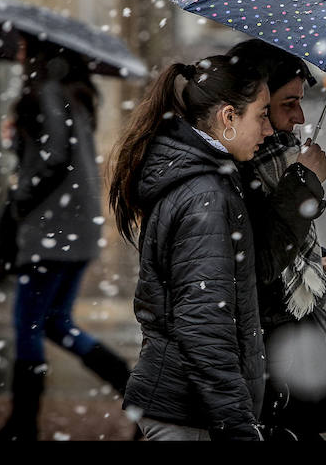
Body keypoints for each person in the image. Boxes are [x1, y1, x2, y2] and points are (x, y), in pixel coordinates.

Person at [107, 55, 275, 441]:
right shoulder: (206, 195)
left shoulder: (204, 178)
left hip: (184, 405)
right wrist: (237, 423)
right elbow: (203, 325)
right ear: (228, 117)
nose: (267, 129)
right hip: (189, 414)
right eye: (261, 115)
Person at [0, 38, 132, 441]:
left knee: (28, 324)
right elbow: (57, 152)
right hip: (74, 229)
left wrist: (21, 196)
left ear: (45, 57)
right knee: (55, 323)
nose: (22, 55)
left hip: (51, 230)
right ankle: (135, 391)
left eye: (28, 50)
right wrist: (19, 138)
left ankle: (22, 425)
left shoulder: (47, 92)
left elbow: (53, 157)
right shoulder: (75, 96)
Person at [227, 39, 326, 441]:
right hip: (261, 363)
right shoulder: (235, 167)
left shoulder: (275, 156)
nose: (300, 116)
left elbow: (268, 238)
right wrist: (304, 183)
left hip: (276, 359)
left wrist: (313, 260)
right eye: (289, 103)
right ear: (258, 101)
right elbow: (257, 265)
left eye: (301, 101)